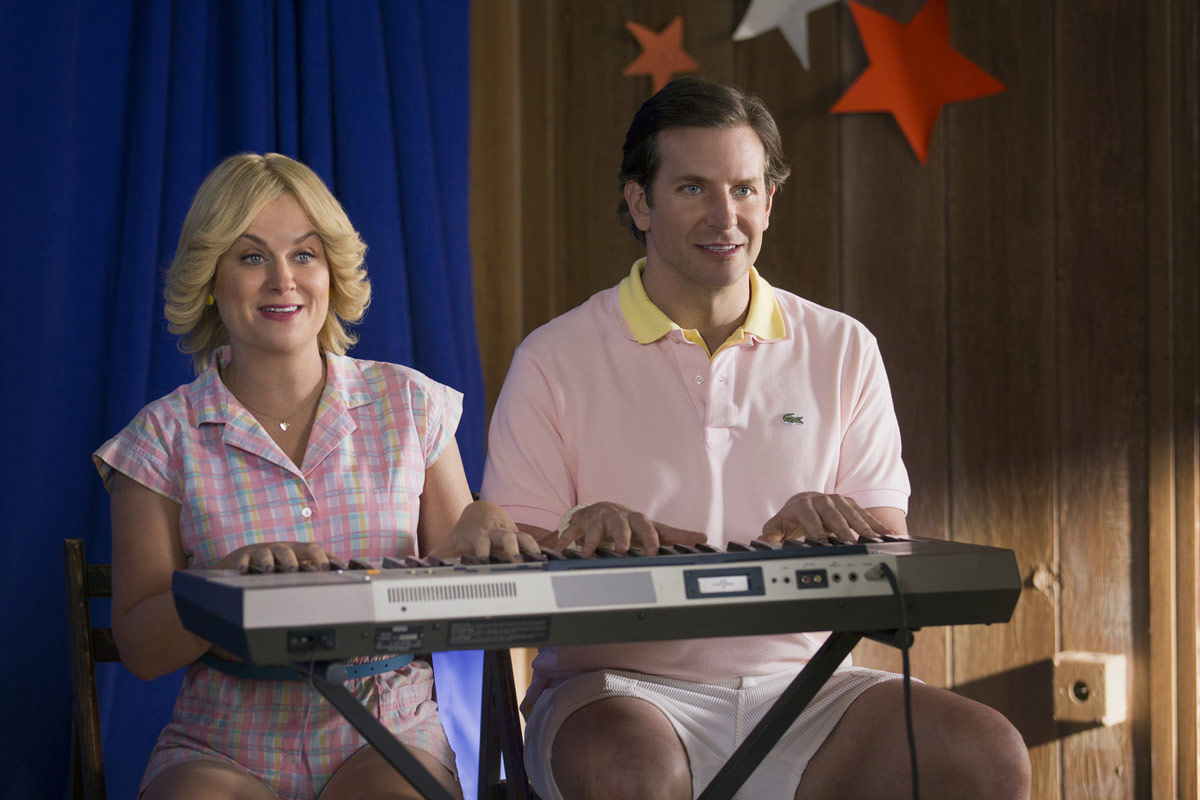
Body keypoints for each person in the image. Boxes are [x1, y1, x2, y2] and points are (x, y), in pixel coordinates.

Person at [479, 77, 1031, 799]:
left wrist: (838, 530)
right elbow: (511, 550)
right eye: (692, 189)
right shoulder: (552, 358)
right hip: (615, 692)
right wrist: (580, 534)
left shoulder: (844, 348)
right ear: (640, 203)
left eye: (744, 189)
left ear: (769, 200)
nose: (725, 216)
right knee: (633, 772)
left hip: (810, 690)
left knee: (989, 754)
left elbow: (887, 536)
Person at [94, 152, 539, 800]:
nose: (283, 280)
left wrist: (482, 521)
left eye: (304, 254)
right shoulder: (159, 439)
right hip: (223, 741)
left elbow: (462, 602)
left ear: (331, 271)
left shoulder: (411, 404)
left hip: (391, 730)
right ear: (211, 278)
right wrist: (226, 584)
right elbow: (139, 647)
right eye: (251, 257)